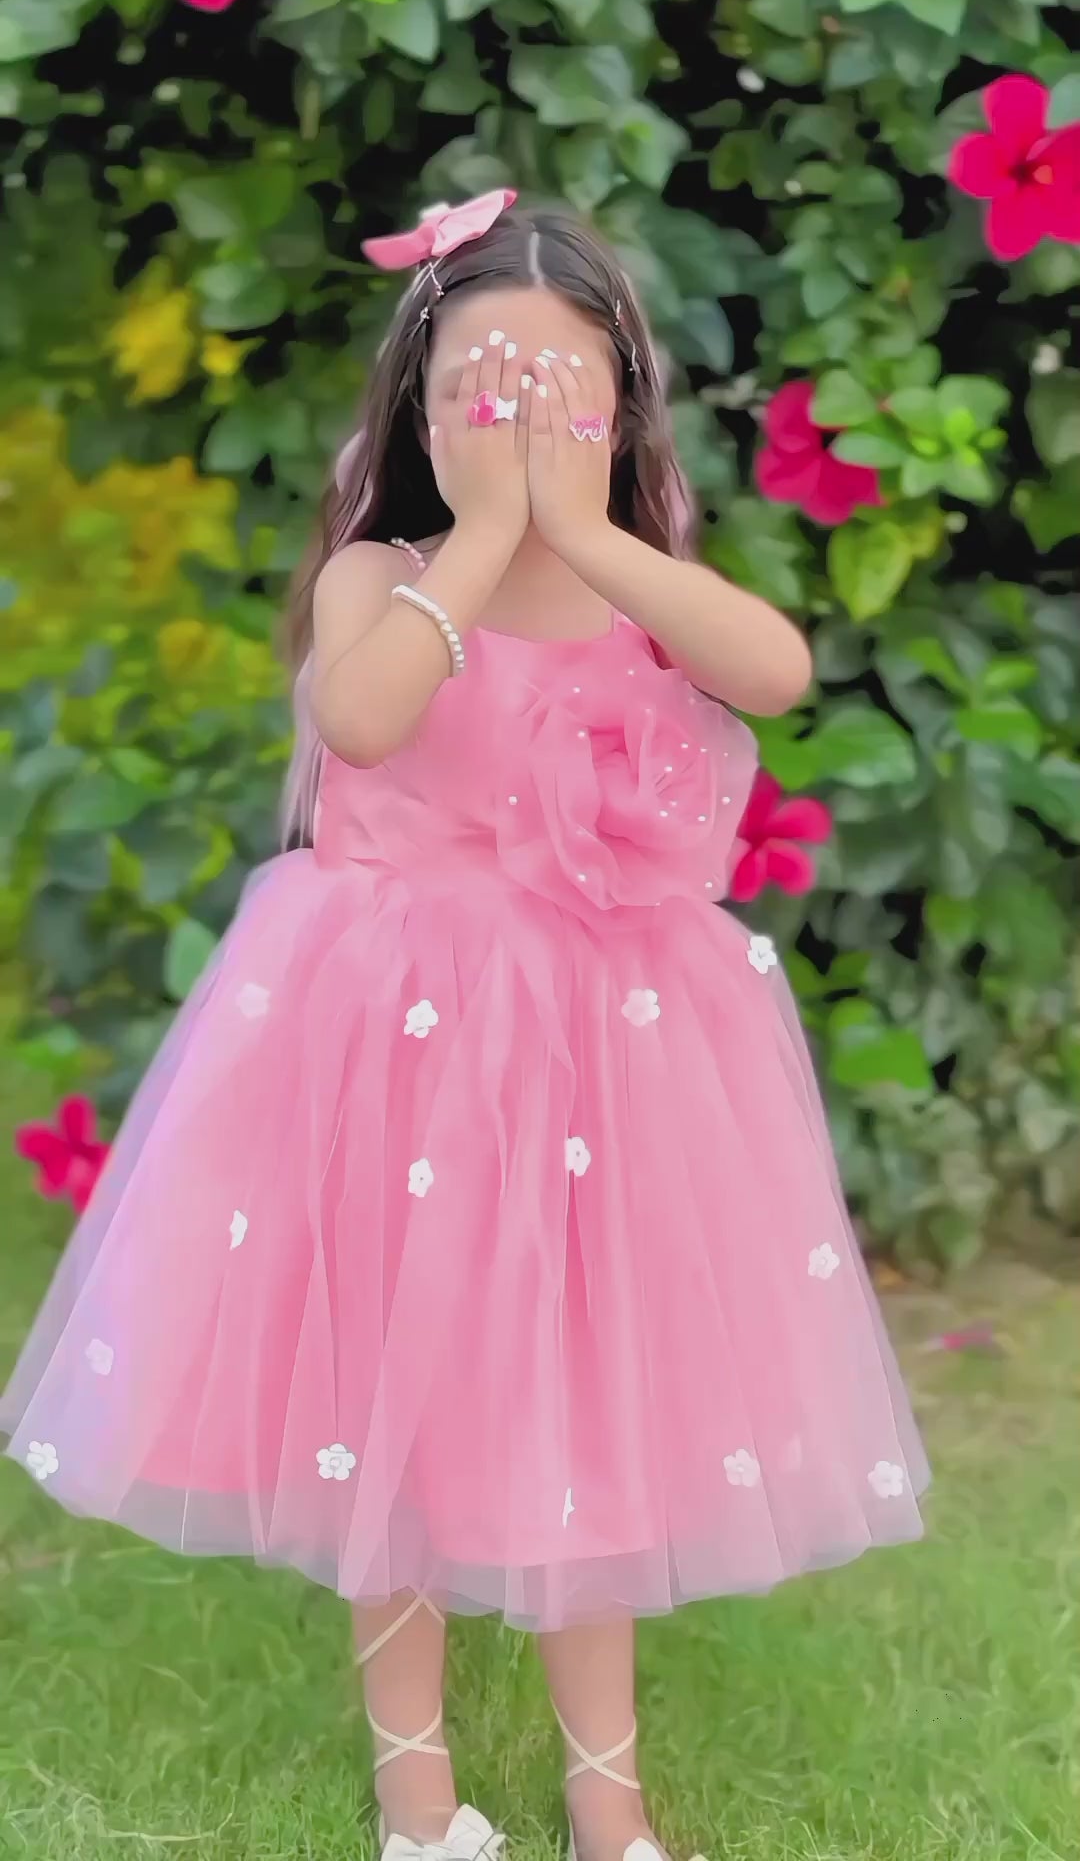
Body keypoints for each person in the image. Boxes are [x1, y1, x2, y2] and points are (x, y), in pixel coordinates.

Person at [1, 192, 929, 1861]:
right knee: (392, 1403)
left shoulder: (644, 592)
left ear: (620, 411)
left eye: (553, 398)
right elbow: (361, 723)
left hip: (606, 1058)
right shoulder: (388, 576)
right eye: (473, 398)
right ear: (416, 413)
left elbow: (777, 671)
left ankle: (607, 1803)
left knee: (592, 1406)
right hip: (398, 1050)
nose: (508, 431)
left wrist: (584, 529)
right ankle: (416, 1795)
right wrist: (489, 540)